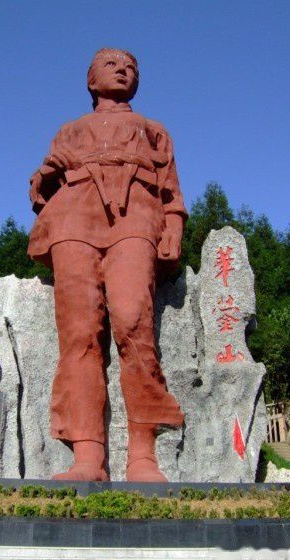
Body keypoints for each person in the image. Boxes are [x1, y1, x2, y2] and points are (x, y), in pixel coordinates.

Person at [28, 48, 187, 482]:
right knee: (79, 333)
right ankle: (88, 457)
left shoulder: (153, 130)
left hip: (136, 213)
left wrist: (173, 225)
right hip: (73, 216)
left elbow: (171, 191)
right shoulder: (69, 130)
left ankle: (142, 456)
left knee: (133, 321)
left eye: (131, 66)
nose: (123, 70)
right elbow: (40, 188)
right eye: (111, 64)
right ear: (91, 79)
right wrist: (46, 174)